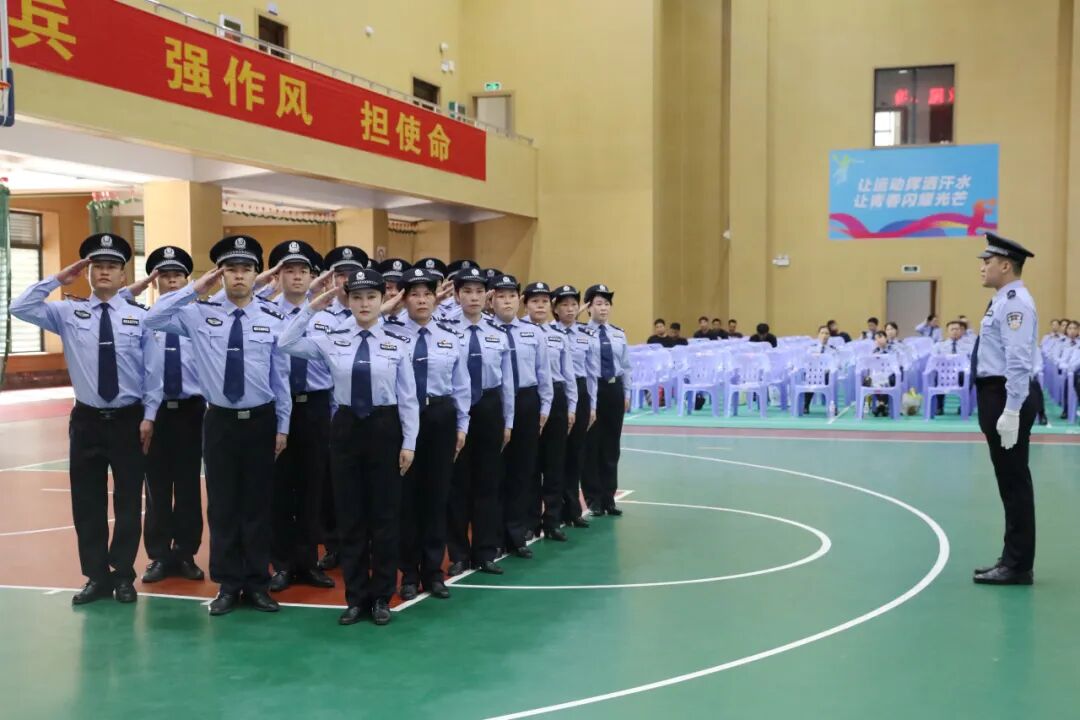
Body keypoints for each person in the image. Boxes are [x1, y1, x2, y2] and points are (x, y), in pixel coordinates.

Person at [11, 233, 162, 605]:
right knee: (87, 502)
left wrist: (150, 416)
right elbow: (19, 306)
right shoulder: (67, 312)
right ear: (88, 273)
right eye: (98, 267)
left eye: (112, 266)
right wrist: (58, 279)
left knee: (128, 502)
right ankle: (96, 576)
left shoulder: (141, 317)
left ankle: (123, 575)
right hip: (87, 421)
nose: (104, 272)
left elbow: (152, 372)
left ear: (124, 275)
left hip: (129, 420)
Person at [145, 235, 292, 616]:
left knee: (257, 505)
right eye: (231, 269)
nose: (239, 276)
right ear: (220, 274)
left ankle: (257, 583)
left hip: (261, 420)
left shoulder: (273, 317)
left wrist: (283, 425)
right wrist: (196, 288)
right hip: (220, 422)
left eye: (246, 269)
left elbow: (280, 376)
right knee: (223, 506)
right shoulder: (198, 313)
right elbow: (152, 318)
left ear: (257, 275)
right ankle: (228, 584)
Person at [279, 267, 418, 625]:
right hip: (345, 428)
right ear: (348, 301)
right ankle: (356, 597)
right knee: (351, 517)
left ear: (382, 300)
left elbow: (408, 397)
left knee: (384, 517)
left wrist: (409, 442)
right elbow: (286, 343)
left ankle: (382, 596)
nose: (364, 304)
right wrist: (312, 306)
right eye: (357, 297)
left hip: (385, 426)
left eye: (371, 297)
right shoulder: (333, 338)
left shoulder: (397, 342)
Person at [121, 247, 205, 584]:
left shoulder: (201, 319)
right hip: (153, 413)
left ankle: (185, 554)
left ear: (188, 280)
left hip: (191, 411)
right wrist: (135, 288)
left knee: (187, 486)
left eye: (177, 275)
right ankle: (158, 555)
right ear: (154, 282)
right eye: (164, 276)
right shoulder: (144, 318)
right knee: (155, 486)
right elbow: (113, 304)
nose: (171, 281)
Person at [257, 241, 337, 594]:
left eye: (303, 270)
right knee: (278, 487)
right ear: (277, 275)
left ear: (313, 276)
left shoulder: (327, 315)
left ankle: (308, 562)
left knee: (312, 486)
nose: (297, 277)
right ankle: (281, 563)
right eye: (289, 270)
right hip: (277, 404)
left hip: (316, 406)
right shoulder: (265, 313)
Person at [394, 268, 470, 601]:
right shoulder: (391, 334)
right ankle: (409, 573)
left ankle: (433, 571)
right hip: (402, 418)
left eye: (427, 294)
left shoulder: (450, 336)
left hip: (440, 416)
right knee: (407, 499)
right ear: (404, 299)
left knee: (437, 496)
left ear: (436, 298)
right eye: (414, 294)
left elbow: (461, 385)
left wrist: (462, 425)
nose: (422, 300)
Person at [971, 232, 1038, 586]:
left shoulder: (1015, 303)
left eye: (988, 261)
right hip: (995, 393)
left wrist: (1011, 410)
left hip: (1006, 395)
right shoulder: (1002, 300)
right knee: (1008, 481)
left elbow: (1018, 360)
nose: (982, 267)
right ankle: (1012, 558)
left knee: (1014, 482)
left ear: (1006, 265)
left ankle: (1018, 565)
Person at [446, 267, 515, 576]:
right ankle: (459, 554)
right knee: (457, 484)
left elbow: (507, 382)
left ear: (487, 296)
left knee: (488, 481)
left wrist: (508, 420)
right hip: (456, 407)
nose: (473, 297)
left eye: (478, 292)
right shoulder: (446, 331)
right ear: (456, 295)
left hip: (489, 406)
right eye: (466, 291)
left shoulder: (497, 333)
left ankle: (485, 551)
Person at [310, 245, 369, 571]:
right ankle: (335, 545)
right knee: (331, 485)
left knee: (367, 482)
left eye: (352, 274)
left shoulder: (375, 316)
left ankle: (366, 544)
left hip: (369, 413)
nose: (346, 281)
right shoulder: (320, 316)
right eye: (341, 274)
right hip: (328, 412)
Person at [491, 274, 552, 558]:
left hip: (527, 401)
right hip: (496, 403)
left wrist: (545, 407)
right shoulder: (485, 331)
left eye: (511, 296)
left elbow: (543, 373)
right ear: (492, 300)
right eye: (501, 296)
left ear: (519, 301)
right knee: (494, 472)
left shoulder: (533, 333)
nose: (507, 302)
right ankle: (493, 536)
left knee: (522, 470)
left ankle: (516, 535)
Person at [525, 282, 577, 542]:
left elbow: (569, 375)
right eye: (535, 301)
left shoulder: (558, 335)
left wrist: (572, 406)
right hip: (529, 398)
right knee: (530, 464)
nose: (540, 306)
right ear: (526, 304)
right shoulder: (519, 332)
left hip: (556, 400)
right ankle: (530, 522)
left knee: (555, 463)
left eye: (545, 301)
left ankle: (553, 521)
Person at [583, 284, 631, 516]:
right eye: (598, 304)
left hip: (614, 390)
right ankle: (593, 499)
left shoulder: (618, 333)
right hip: (592, 390)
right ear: (588, 307)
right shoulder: (581, 333)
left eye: (607, 304)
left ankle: (608, 497)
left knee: (612, 446)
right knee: (591, 445)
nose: (603, 308)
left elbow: (626, 366)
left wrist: (627, 393)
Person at [552, 285, 597, 529]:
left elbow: (591, 373)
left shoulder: (585, 335)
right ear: (555, 309)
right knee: (556, 454)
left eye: (573, 305)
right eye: (564, 305)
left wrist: (592, 405)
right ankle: (554, 511)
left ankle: (573, 509)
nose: (569, 309)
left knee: (575, 453)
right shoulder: (546, 332)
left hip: (580, 391)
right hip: (557, 392)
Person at [803, 325, 838, 413]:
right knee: (809, 377)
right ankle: (806, 405)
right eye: (822, 333)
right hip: (812, 374)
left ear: (829, 336)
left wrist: (827, 370)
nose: (824, 335)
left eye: (827, 333)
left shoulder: (833, 350)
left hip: (826, 375)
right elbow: (805, 363)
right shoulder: (811, 349)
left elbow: (836, 364)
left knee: (829, 377)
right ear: (818, 335)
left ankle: (832, 406)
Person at [377, 258, 410, 323]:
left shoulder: (417, 319)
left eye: (399, 288)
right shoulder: (371, 320)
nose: (394, 293)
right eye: (388, 287)